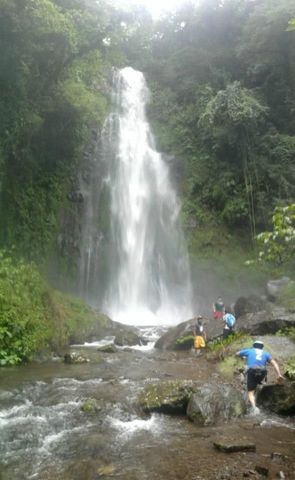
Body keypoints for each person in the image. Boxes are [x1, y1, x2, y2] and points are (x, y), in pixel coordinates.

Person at [236, 340, 284, 414]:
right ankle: (259, 389)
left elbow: (237, 353)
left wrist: (243, 356)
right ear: (262, 347)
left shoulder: (249, 350)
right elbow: (274, 363)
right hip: (262, 372)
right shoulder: (266, 353)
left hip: (252, 371)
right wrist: (279, 374)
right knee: (258, 383)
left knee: (250, 392)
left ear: (254, 345)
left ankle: (254, 408)